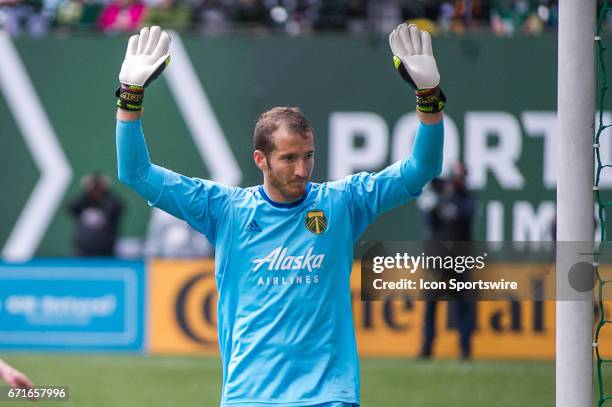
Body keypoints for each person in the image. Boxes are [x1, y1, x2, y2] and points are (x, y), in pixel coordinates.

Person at [115, 24, 445, 406]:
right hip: (249, 398)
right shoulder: (225, 210)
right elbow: (135, 173)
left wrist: (429, 98)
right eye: (289, 158)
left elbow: (421, 168)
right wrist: (130, 97)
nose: (303, 170)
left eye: (309, 156)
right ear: (261, 159)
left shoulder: (342, 203)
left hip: (328, 397)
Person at [417, 161, 477, 360]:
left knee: (461, 305)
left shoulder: (467, 198)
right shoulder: (438, 197)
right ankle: (427, 347)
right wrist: (440, 196)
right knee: (431, 304)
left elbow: (465, 213)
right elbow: (428, 219)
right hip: (438, 259)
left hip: (458, 260)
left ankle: (465, 348)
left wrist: (451, 195)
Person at [68, 172, 124, 256]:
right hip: (83, 251)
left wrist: (106, 192)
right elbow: (71, 206)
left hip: (107, 252)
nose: (96, 191)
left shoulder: (109, 202)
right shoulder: (83, 203)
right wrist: (86, 192)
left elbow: (118, 206)